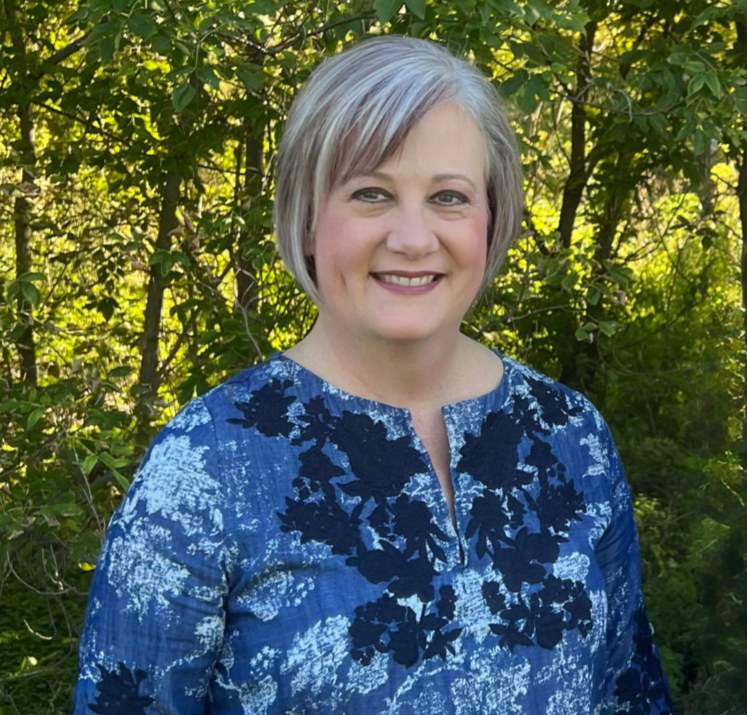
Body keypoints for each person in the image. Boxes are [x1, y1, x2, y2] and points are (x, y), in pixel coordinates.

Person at [73, 36, 673, 714]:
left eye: (448, 196)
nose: (413, 238)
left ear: (492, 218)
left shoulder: (570, 435)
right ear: (306, 219)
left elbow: (630, 694)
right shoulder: (206, 464)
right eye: (370, 193)